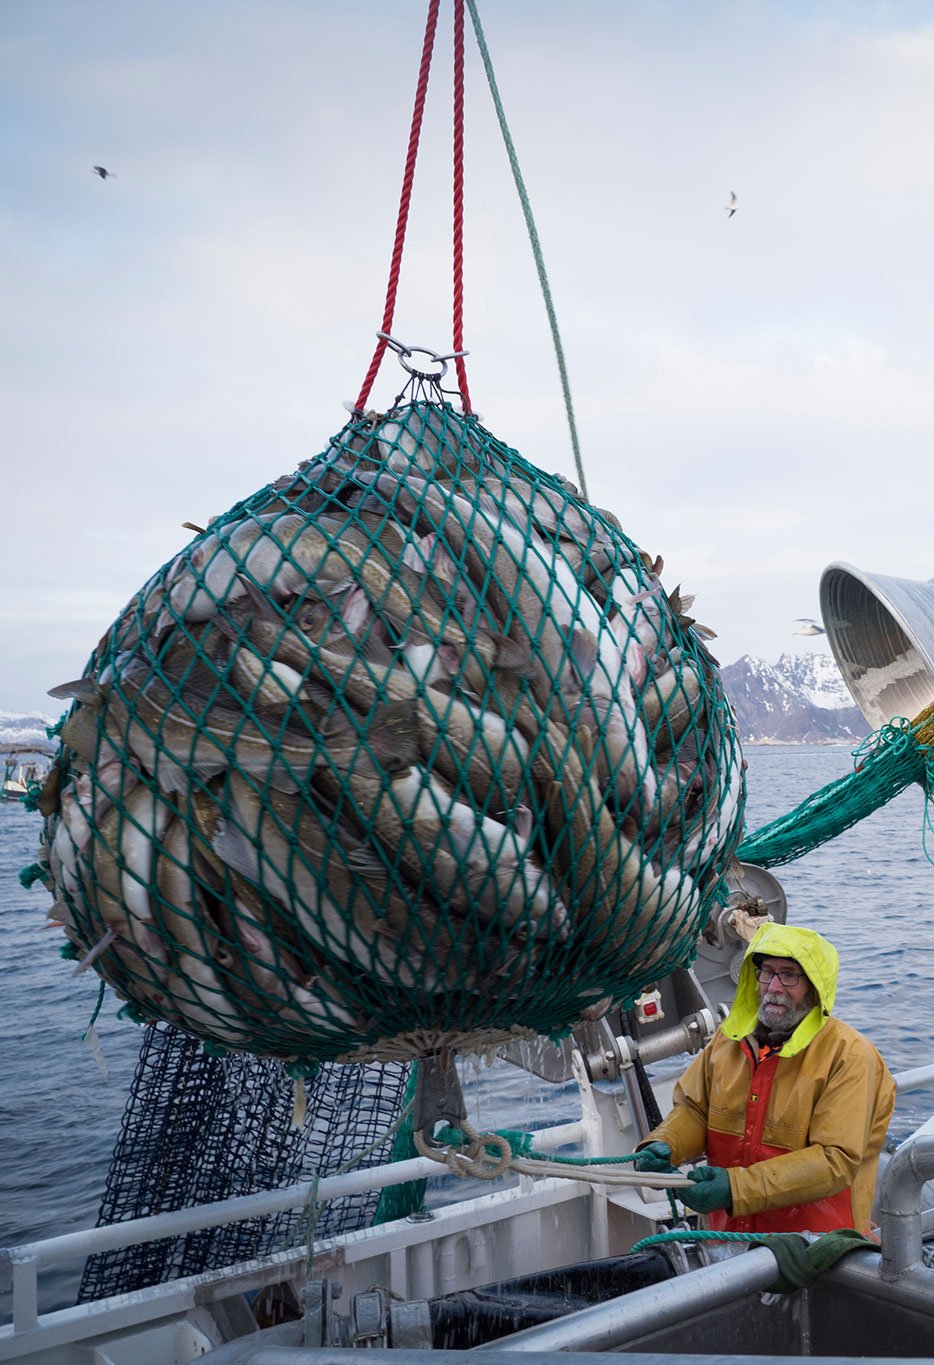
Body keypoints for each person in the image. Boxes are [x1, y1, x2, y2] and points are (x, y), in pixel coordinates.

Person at [634, 922, 895, 1235]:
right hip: (724, 1238)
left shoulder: (849, 1056)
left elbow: (834, 1161)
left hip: (815, 1252)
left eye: (789, 975)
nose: (773, 986)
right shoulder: (728, 1039)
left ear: (814, 986)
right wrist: (665, 1143)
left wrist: (734, 1189)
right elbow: (694, 1110)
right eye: (767, 972)